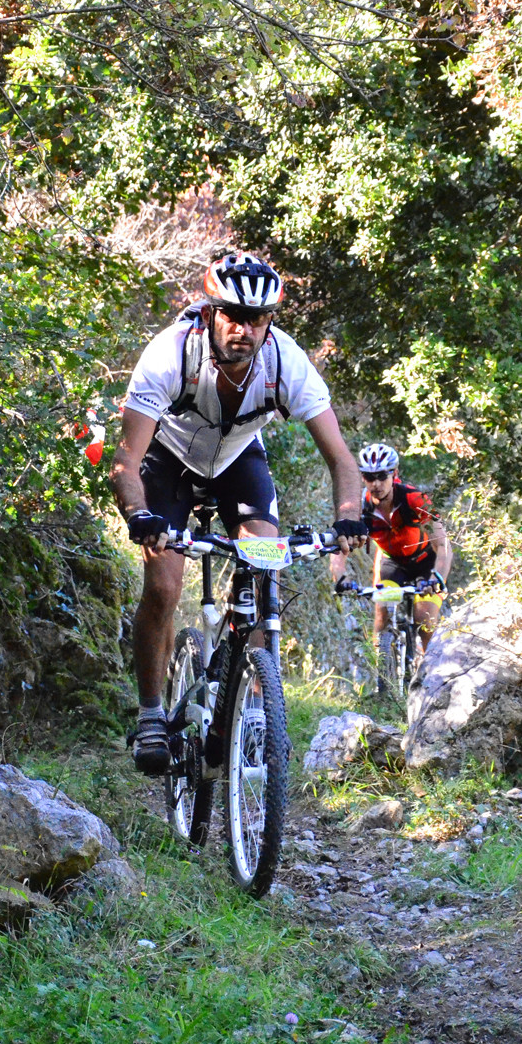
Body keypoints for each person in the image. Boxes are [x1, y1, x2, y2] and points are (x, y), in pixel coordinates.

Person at [110, 252, 367, 775]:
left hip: (237, 462)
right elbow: (126, 463)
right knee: (163, 586)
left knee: (263, 569)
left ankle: (245, 709)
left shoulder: (286, 362)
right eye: (232, 315)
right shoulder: (169, 355)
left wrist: (348, 516)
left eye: (257, 319)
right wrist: (139, 515)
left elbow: (342, 459)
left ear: (269, 323)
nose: (244, 329)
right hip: (168, 459)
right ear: (210, 313)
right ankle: (152, 713)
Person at [331, 442, 452, 687]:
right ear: (362, 478)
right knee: (382, 614)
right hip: (391, 561)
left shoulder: (414, 498)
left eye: (381, 476)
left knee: (425, 617)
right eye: (369, 477)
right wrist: (340, 578)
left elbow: (443, 544)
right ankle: (383, 684)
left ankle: (436, 679)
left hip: (425, 561)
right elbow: (339, 548)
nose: (376, 483)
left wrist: (437, 578)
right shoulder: (361, 507)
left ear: (394, 474)